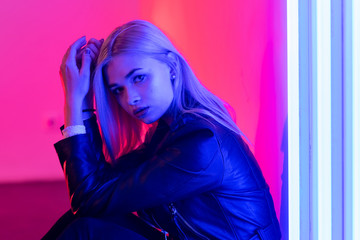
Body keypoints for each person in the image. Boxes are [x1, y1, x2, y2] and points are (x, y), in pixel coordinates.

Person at [43, 19, 281, 240]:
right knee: (83, 221)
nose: (130, 99)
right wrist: (84, 103)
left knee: (85, 231)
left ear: (171, 66)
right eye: (118, 90)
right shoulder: (168, 131)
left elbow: (90, 197)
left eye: (138, 78)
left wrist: (74, 102)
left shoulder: (202, 143)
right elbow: (98, 190)